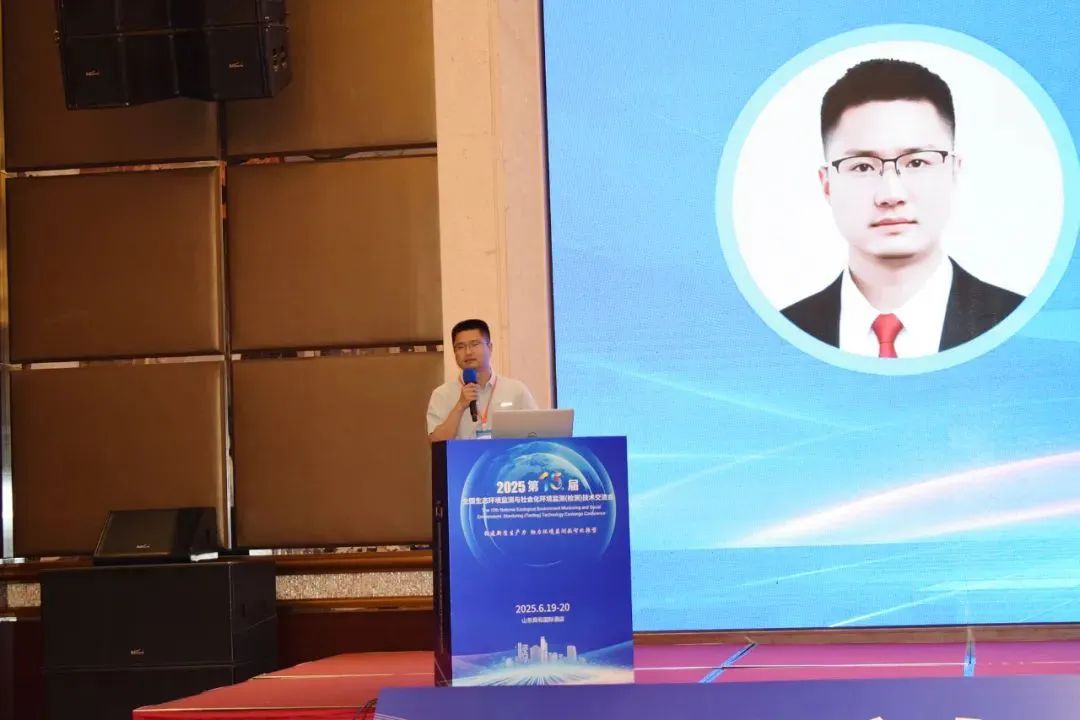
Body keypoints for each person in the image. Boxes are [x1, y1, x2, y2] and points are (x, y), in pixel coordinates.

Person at [782, 59, 1024, 358]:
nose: (891, 194)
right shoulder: (781, 332)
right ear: (827, 184)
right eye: (862, 166)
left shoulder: (1021, 323)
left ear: (953, 171)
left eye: (917, 162)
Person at [427, 318, 538, 441]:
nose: (468, 352)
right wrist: (460, 406)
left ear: (490, 348)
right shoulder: (442, 395)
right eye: (460, 347)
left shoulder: (516, 390)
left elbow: (537, 434)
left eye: (475, 344)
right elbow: (436, 443)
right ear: (455, 353)